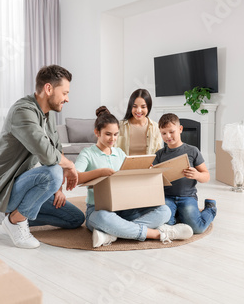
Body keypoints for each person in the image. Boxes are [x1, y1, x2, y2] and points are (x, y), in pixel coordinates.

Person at [0, 65, 85, 249]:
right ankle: (15, 221)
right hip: (3, 189)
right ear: (48, 89)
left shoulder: (48, 115)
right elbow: (48, 155)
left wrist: (58, 189)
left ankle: (6, 215)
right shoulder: (22, 112)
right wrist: (69, 166)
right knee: (53, 173)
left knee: (75, 219)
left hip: (26, 186)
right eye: (64, 93)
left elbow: (57, 148)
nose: (67, 99)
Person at [75, 106, 193, 248]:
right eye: (108, 134)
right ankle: (159, 234)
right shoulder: (87, 153)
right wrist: (101, 172)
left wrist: (145, 170)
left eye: (115, 134)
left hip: (124, 208)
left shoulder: (119, 153)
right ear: (97, 132)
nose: (112, 139)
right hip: (98, 209)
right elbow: (76, 178)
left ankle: (112, 234)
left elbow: (131, 175)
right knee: (103, 218)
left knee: (165, 210)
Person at [153, 113, 217, 234]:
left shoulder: (192, 151)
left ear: (180, 129)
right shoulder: (159, 154)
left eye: (171, 132)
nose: (168, 136)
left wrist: (197, 175)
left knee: (198, 228)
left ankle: (210, 208)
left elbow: (206, 176)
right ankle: (179, 215)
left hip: (187, 197)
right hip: (167, 197)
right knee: (166, 225)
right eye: (164, 133)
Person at [116, 89, 162, 155]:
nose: (139, 110)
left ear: (148, 107)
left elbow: (158, 153)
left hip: (149, 165)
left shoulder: (155, 127)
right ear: (130, 106)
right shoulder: (120, 126)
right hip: (125, 165)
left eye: (143, 107)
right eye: (135, 106)